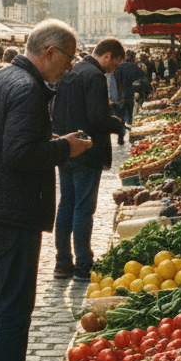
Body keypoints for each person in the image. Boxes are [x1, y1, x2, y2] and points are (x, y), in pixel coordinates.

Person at [0, 19, 91, 361]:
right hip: (10, 209)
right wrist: (63, 148)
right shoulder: (28, 89)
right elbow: (18, 152)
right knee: (14, 303)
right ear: (50, 52)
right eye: (68, 60)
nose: (69, 69)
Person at [51, 37, 125, 279]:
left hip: (65, 147)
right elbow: (97, 117)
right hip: (86, 149)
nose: (114, 69)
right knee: (83, 207)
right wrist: (117, 124)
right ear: (107, 56)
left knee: (66, 204)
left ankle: (62, 262)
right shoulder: (94, 76)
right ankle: (83, 263)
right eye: (115, 63)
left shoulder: (70, 72)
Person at [113, 51, 145, 145]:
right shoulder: (134, 66)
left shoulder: (117, 67)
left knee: (120, 117)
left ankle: (120, 136)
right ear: (132, 57)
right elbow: (142, 78)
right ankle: (132, 135)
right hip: (130, 95)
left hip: (119, 96)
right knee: (131, 116)